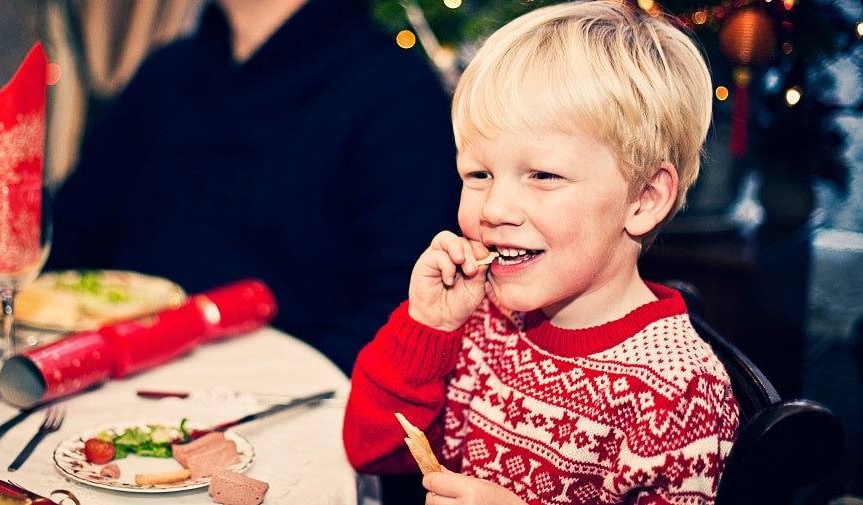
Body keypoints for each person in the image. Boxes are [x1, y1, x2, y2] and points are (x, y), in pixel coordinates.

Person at [342, 1, 740, 503]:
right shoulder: (484, 318)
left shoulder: (676, 393)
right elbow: (369, 452)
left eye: (544, 175)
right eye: (479, 175)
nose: (495, 208)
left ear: (643, 199)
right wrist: (428, 327)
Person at [46, 0, 460, 374]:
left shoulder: (395, 93)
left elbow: (403, 302)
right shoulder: (166, 71)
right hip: (109, 373)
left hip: (280, 406)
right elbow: (72, 230)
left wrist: (276, 392)